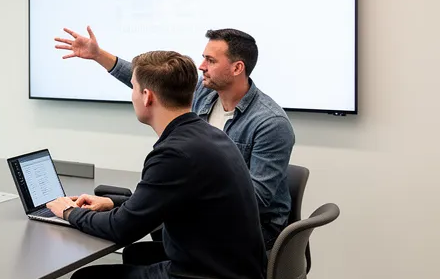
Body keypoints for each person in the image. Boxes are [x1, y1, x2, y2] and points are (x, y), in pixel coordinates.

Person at [44, 51, 267, 279]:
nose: (133, 95)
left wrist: (69, 213)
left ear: (147, 96)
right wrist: (114, 202)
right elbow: (174, 197)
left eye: (134, 88)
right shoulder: (207, 135)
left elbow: (121, 229)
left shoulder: (173, 152)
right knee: (137, 257)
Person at [55, 26, 294, 247]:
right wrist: (98, 55)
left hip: (254, 230)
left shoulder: (270, 124)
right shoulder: (204, 93)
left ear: (237, 68)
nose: (201, 66)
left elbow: (254, 201)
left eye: (210, 60)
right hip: (208, 211)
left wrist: (159, 204)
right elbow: (152, 79)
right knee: (142, 245)